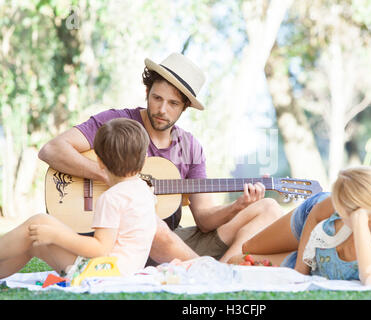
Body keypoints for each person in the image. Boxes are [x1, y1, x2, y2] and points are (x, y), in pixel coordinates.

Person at [38, 52, 282, 265]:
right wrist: (109, 175)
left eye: (173, 103)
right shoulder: (117, 123)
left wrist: (238, 205)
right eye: (157, 98)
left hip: (166, 245)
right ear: (147, 92)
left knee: (269, 208)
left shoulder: (190, 147)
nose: (162, 109)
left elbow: (205, 220)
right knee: (151, 222)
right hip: (113, 240)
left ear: (184, 107)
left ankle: (222, 274)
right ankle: (206, 271)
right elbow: (51, 149)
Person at [0, 118, 157, 279]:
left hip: (103, 274)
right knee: (36, 241)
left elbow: (100, 249)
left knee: (36, 224)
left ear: (100, 162)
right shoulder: (145, 191)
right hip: (121, 271)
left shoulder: (112, 198)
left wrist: (55, 236)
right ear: (145, 159)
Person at [228, 166, 371, 286]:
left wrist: (360, 222)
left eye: (340, 206)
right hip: (312, 218)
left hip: (322, 252)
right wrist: (299, 271)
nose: (336, 205)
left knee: (239, 260)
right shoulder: (331, 205)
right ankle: (278, 225)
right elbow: (317, 214)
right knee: (249, 247)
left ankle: (280, 229)